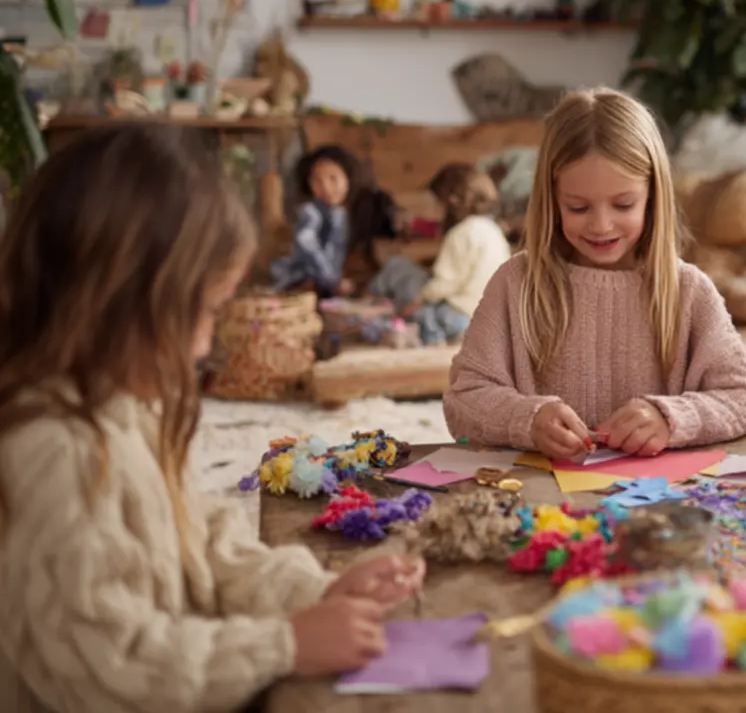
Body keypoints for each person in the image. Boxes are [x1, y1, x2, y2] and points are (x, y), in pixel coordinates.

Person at [0, 125, 425, 711]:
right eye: (201, 314)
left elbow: (200, 542)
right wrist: (284, 644)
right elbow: (105, 664)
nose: (204, 347)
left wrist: (313, 592)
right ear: (117, 303)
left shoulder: (128, 403)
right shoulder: (52, 449)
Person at [443, 88, 746, 458]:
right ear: (552, 199)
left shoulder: (688, 290)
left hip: (661, 506)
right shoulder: (515, 284)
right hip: (541, 504)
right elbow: (462, 401)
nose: (601, 226)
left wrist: (671, 418)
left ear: (653, 195)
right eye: (578, 207)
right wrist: (527, 420)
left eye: (623, 204)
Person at [369, 162, 512, 344]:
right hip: (493, 318)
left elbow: (444, 283)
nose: (436, 210)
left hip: (461, 315)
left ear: (451, 202)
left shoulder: (460, 233)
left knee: (417, 308)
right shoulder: (493, 231)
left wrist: (418, 301)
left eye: (438, 204)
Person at [271, 144, 360, 297]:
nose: (326, 187)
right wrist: (333, 280)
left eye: (333, 178)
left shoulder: (341, 213)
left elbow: (335, 253)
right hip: (304, 280)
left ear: (348, 180)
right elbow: (308, 246)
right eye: (317, 181)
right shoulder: (310, 212)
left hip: (328, 283)